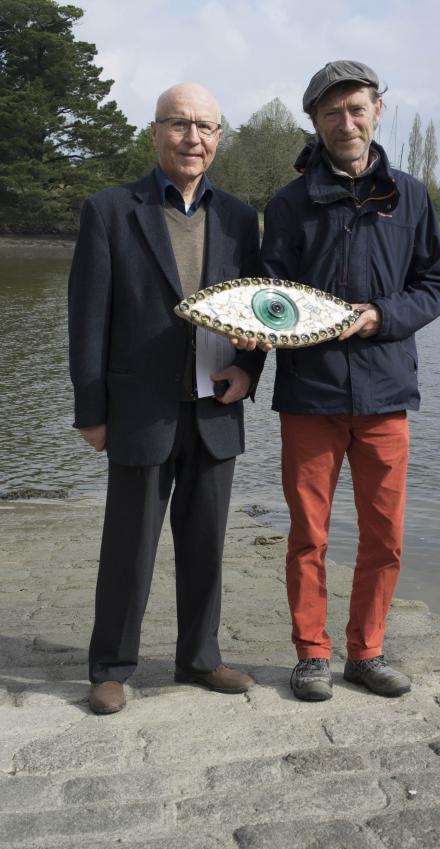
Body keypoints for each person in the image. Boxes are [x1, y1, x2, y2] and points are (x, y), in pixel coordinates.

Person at [260, 61, 440, 701]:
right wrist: (255, 337)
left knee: (385, 536)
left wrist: (381, 317)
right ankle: (311, 654)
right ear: (314, 121)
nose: (347, 121)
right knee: (308, 535)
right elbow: (271, 299)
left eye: (357, 108)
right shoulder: (287, 205)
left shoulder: (412, 196)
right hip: (309, 396)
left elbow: (436, 286)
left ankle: (365, 652)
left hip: (386, 395)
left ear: (378, 110)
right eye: (332, 111)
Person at [68, 82, 264, 715]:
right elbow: (88, 318)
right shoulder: (110, 210)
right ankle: (111, 666)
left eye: (205, 127)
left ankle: (200, 657)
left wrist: (250, 369)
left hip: (214, 406)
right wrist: (91, 412)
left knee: (206, 543)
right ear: (154, 134)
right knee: (130, 545)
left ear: (218, 139)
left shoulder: (238, 217)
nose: (193, 138)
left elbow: (261, 307)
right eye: (179, 125)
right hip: (139, 409)